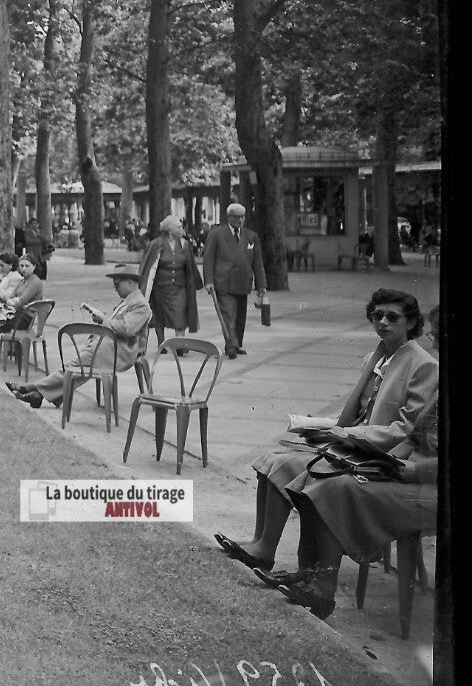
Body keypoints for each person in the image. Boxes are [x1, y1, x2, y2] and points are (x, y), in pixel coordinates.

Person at [212, 289, 438, 610]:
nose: (383, 322)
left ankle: (315, 580)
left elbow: (403, 429)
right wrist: (324, 427)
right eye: (377, 316)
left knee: (316, 479)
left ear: (411, 322)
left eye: (392, 317)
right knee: (276, 460)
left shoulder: (422, 364)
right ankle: (264, 548)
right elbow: (361, 412)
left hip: (380, 454)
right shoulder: (377, 356)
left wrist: (345, 434)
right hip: (355, 443)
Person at [9, 266, 152, 408]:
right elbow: (117, 324)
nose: (115, 289)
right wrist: (101, 318)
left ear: (130, 282)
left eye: (117, 284)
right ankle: (38, 394)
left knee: (75, 366)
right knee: (77, 367)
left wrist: (103, 319)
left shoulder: (141, 305)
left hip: (121, 351)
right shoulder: (129, 301)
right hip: (110, 347)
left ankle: (33, 388)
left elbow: (127, 329)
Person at [202, 202, 267, 359]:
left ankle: (237, 344)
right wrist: (209, 281)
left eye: (242, 217)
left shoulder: (251, 236)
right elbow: (208, 259)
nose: (240, 220)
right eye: (236, 217)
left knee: (240, 317)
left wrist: (261, 285)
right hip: (223, 281)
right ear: (229, 217)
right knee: (228, 314)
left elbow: (257, 263)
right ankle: (230, 345)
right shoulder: (216, 234)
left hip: (243, 281)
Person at [138, 214, 205, 360]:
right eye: (178, 227)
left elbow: (191, 265)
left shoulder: (185, 245)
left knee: (180, 314)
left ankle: (180, 344)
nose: (182, 229)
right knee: (159, 317)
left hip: (180, 288)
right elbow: (146, 265)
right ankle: (161, 343)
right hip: (160, 289)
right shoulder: (156, 244)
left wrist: (197, 282)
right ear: (170, 231)